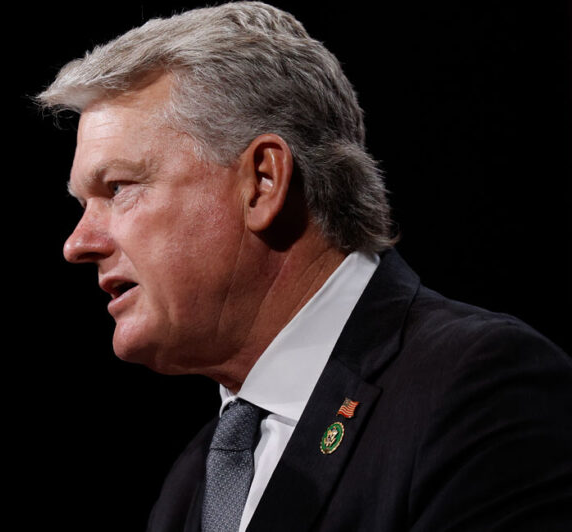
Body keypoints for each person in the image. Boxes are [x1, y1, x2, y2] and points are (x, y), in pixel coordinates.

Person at [36, 2, 572, 530]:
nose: (78, 243)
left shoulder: (478, 386)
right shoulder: (188, 488)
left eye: (118, 188)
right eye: (82, 205)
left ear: (263, 182)